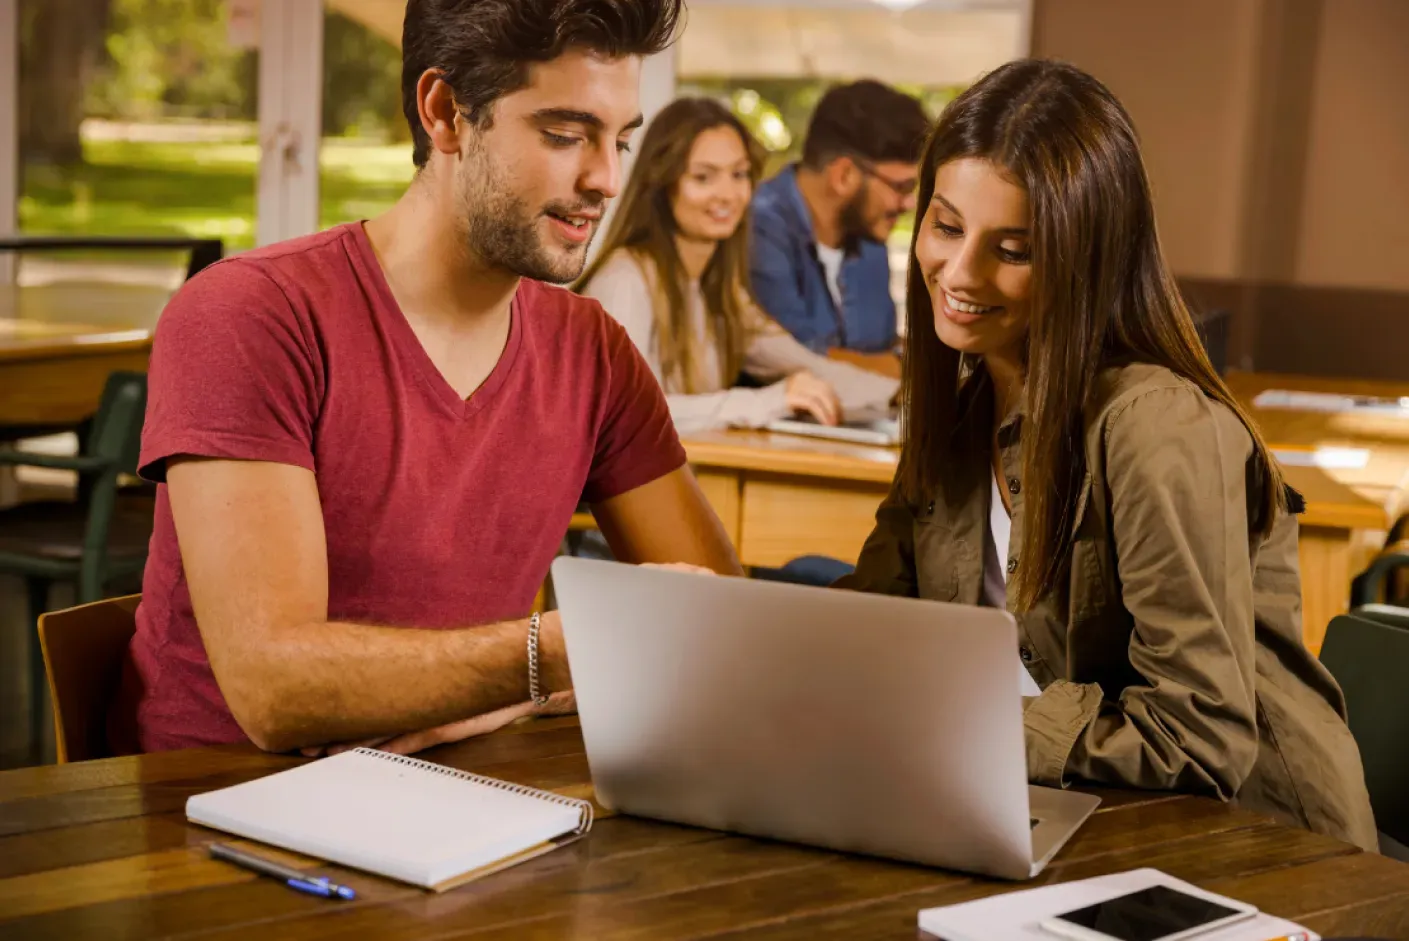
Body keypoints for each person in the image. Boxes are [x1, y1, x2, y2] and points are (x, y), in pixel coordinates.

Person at [111, 0, 743, 758]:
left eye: (621, 140)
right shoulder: (250, 314)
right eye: (565, 135)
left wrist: (542, 677)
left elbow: (721, 630)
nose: (606, 179)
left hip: (464, 801)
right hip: (210, 818)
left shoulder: (593, 353)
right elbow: (275, 691)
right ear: (445, 113)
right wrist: (557, 657)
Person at [840, 59, 1377, 850]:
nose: (958, 272)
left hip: (1259, 854)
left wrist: (965, 724)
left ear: (1083, 258)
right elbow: (875, 632)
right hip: (1075, 822)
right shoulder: (955, 410)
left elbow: (1197, 735)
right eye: (946, 226)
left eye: (1012, 249)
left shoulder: (1155, 426)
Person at [576, 97, 897, 436]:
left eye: (739, 174)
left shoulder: (721, 291)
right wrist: (768, 400)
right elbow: (626, 414)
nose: (728, 194)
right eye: (704, 177)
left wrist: (900, 397)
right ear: (662, 187)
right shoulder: (626, 279)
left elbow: (808, 367)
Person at [750, 80, 929, 365]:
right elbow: (800, 359)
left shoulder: (867, 232)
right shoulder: (758, 226)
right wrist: (904, 368)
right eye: (901, 187)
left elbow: (880, 346)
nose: (908, 204)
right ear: (844, 175)